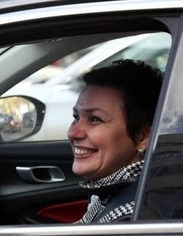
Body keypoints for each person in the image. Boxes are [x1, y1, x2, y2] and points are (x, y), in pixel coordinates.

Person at [68, 59, 163, 223]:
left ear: (143, 136)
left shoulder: (132, 217)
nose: (73, 132)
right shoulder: (113, 191)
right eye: (76, 117)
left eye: (95, 119)